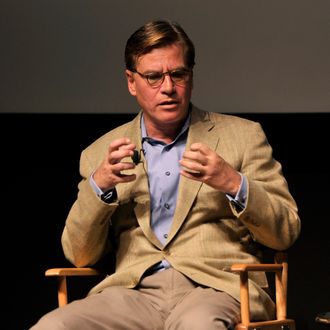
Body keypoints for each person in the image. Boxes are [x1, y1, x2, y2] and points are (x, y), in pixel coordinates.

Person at [31, 19, 301, 330]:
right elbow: (79, 255)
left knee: (198, 325)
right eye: (153, 77)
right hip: (133, 293)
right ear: (132, 82)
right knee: (53, 326)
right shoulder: (101, 153)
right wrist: (100, 185)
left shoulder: (243, 136)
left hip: (216, 287)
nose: (168, 88)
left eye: (178, 74)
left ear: (191, 76)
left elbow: (286, 231)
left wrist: (231, 181)